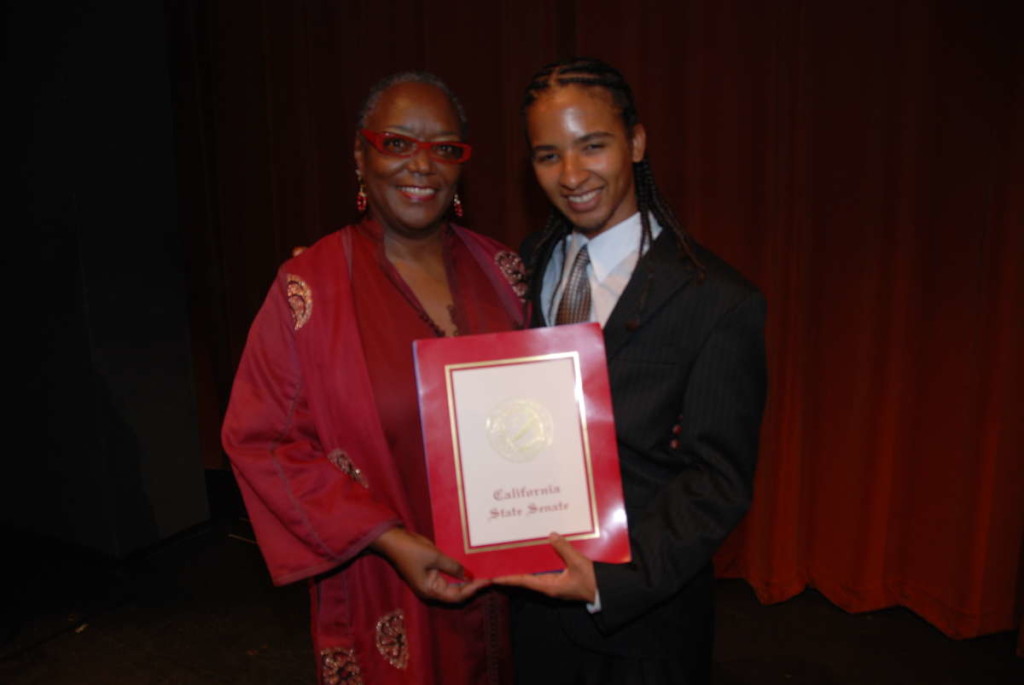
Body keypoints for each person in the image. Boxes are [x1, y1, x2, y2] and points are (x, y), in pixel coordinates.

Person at [222, 72, 526, 684]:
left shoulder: (506, 272)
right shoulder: (309, 289)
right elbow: (262, 439)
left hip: (517, 587)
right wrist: (387, 538)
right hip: (388, 586)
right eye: (397, 143)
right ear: (360, 157)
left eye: (445, 148)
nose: (423, 165)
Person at [494, 57, 767, 684]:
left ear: (636, 142)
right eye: (547, 155)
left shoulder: (718, 299)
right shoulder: (528, 263)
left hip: (643, 623)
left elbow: (718, 478)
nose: (571, 175)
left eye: (593, 146)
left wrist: (609, 579)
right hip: (532, 611)